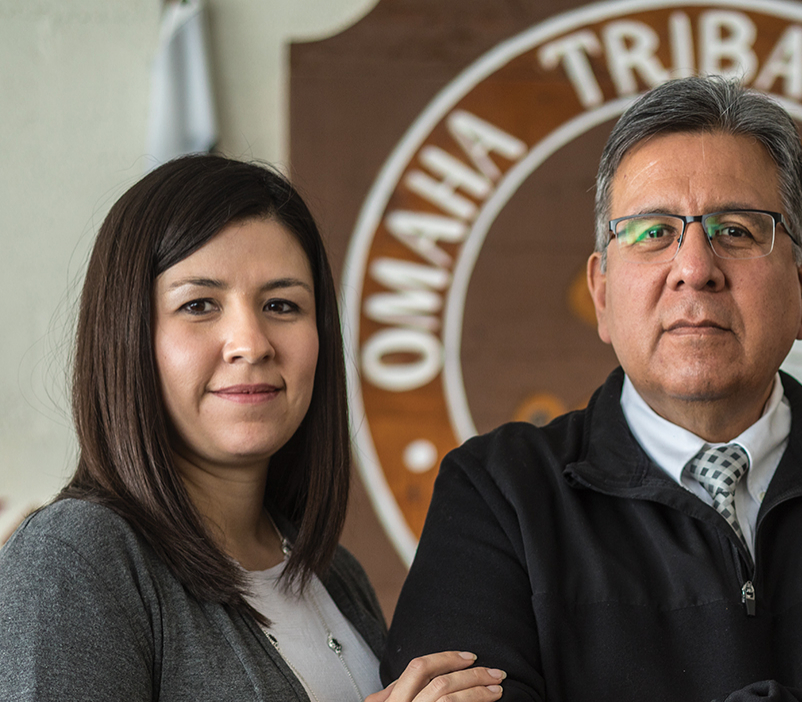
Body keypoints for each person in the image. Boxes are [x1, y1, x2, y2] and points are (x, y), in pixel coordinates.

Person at [382, 76, 802, 701]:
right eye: (652, 233)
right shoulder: (496, 495)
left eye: (736, 230)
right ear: (603, 295)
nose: (695, 269)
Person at [0, 155, 505, 701]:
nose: (252, 342)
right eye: (199, 304)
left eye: (281, 305)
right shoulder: (76, 556)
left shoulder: (337, 574)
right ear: (126, 336)